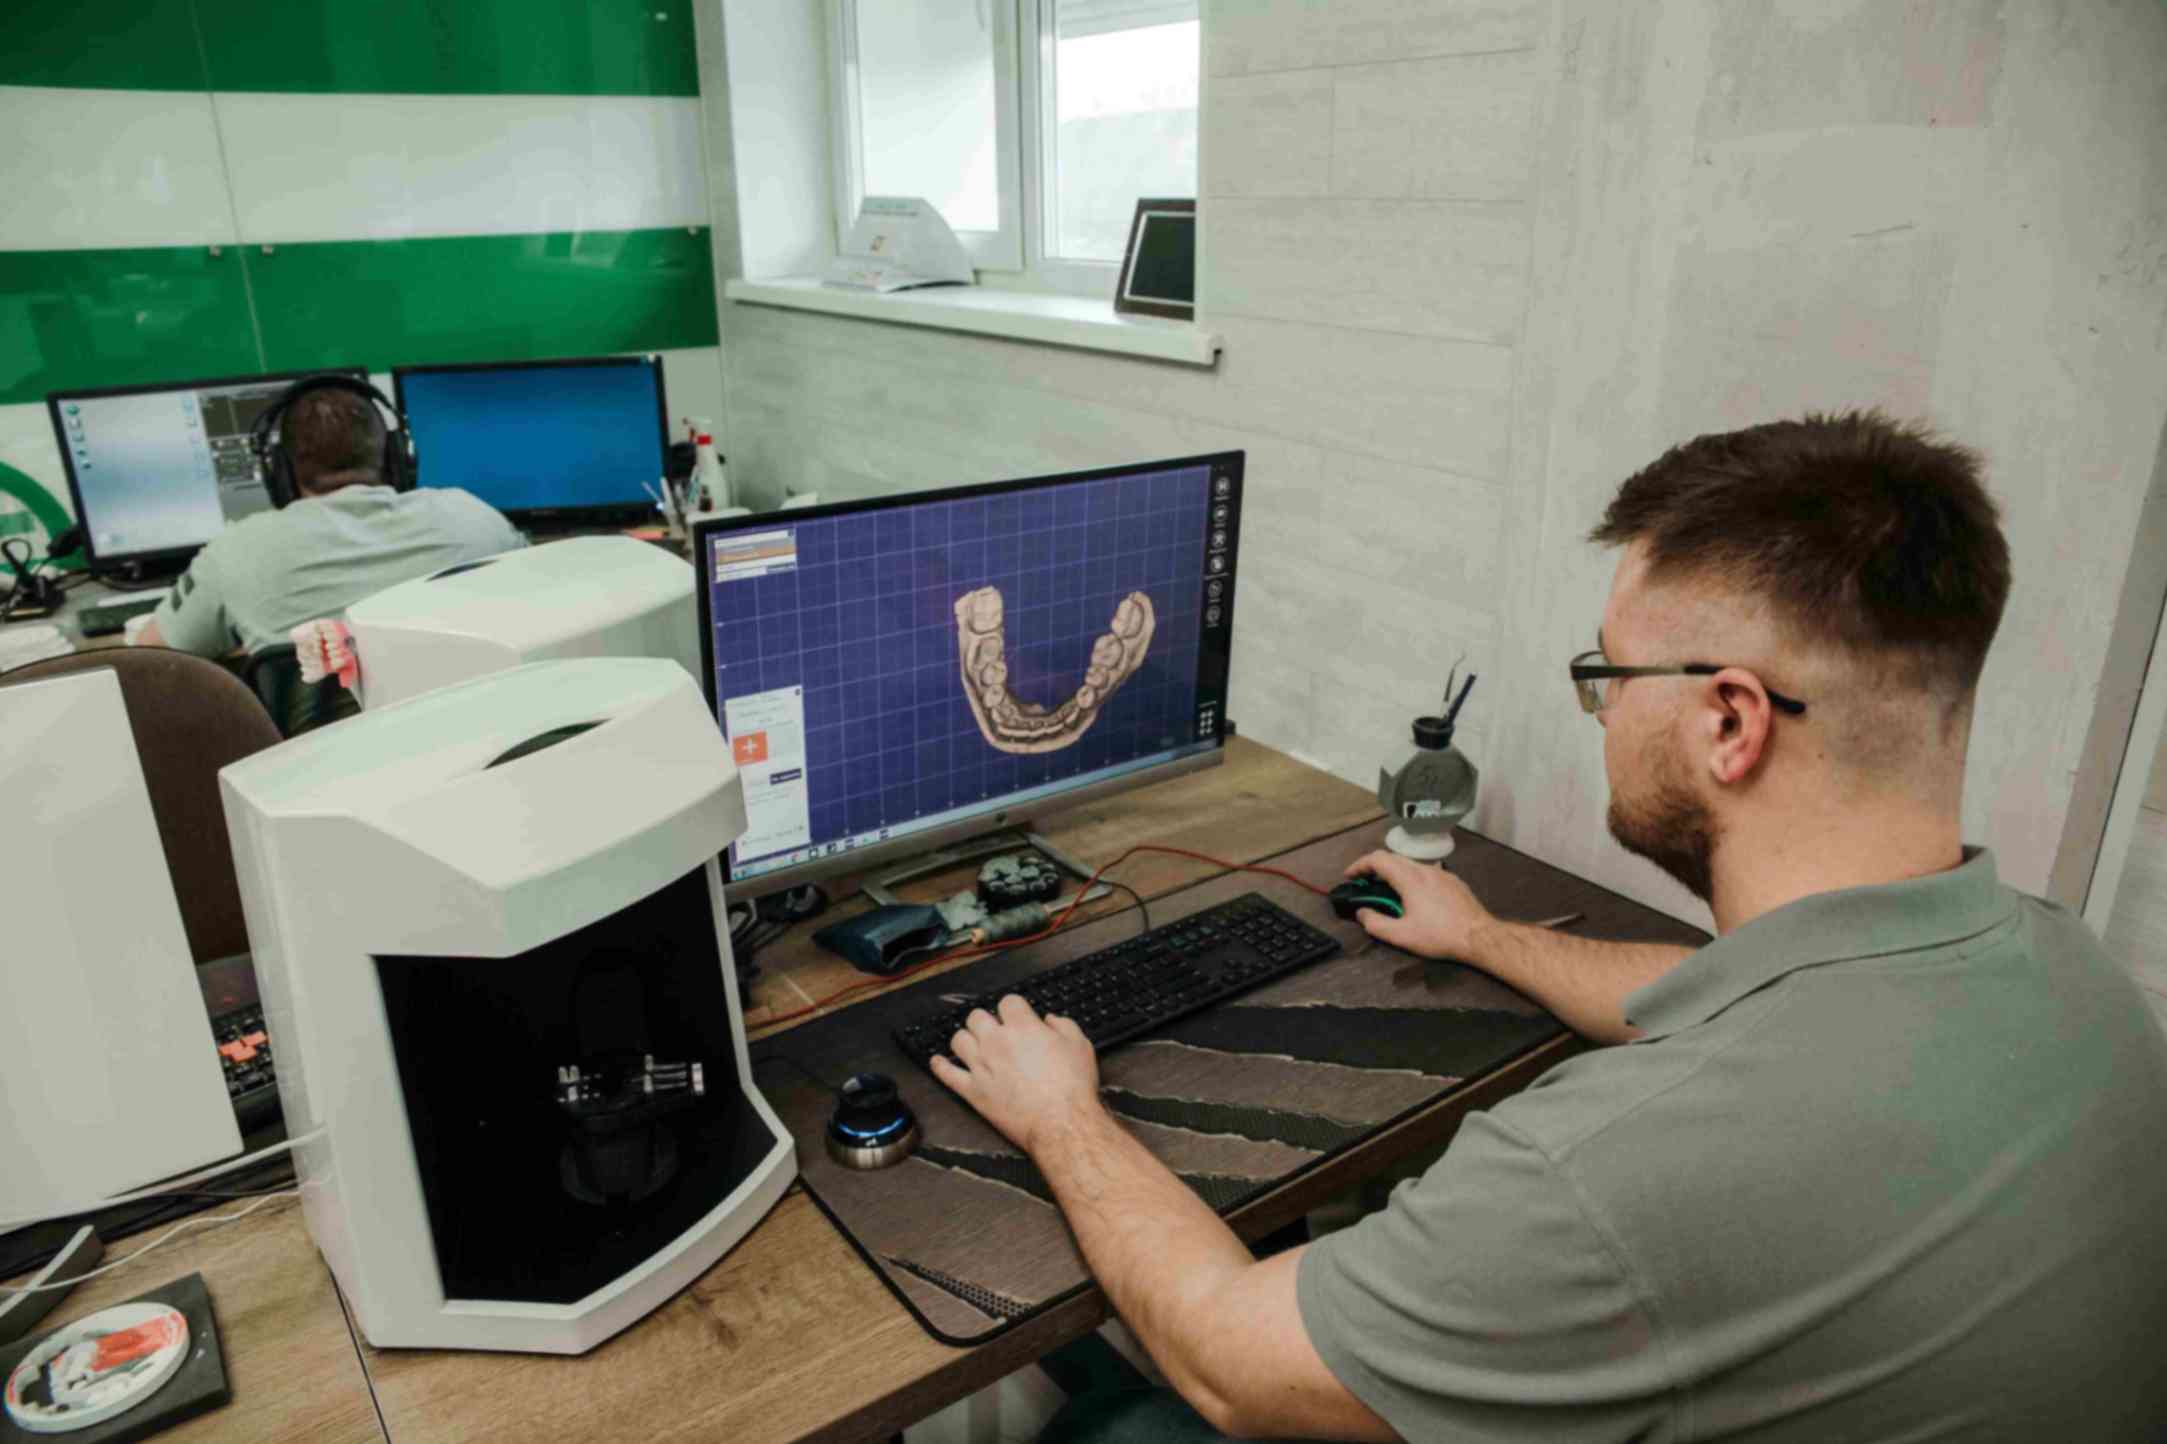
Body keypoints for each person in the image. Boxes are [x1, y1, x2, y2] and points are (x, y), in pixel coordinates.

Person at [933, 411, 2167, 1441]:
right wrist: (1482, 936)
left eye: (1610, 675)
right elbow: (1721, 993)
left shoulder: (1599, 1177)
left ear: (1729, 722)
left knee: (1137, 1421)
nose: (1599, 711)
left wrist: (1062, 1114)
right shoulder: (2071, 975)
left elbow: (1223, 1359)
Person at [140, 385, 523, 657]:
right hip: (483, 749)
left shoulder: (234, 552)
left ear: (280, 474)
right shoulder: (473, 516)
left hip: (332, 766)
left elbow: (149, 657)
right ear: (397, 458)